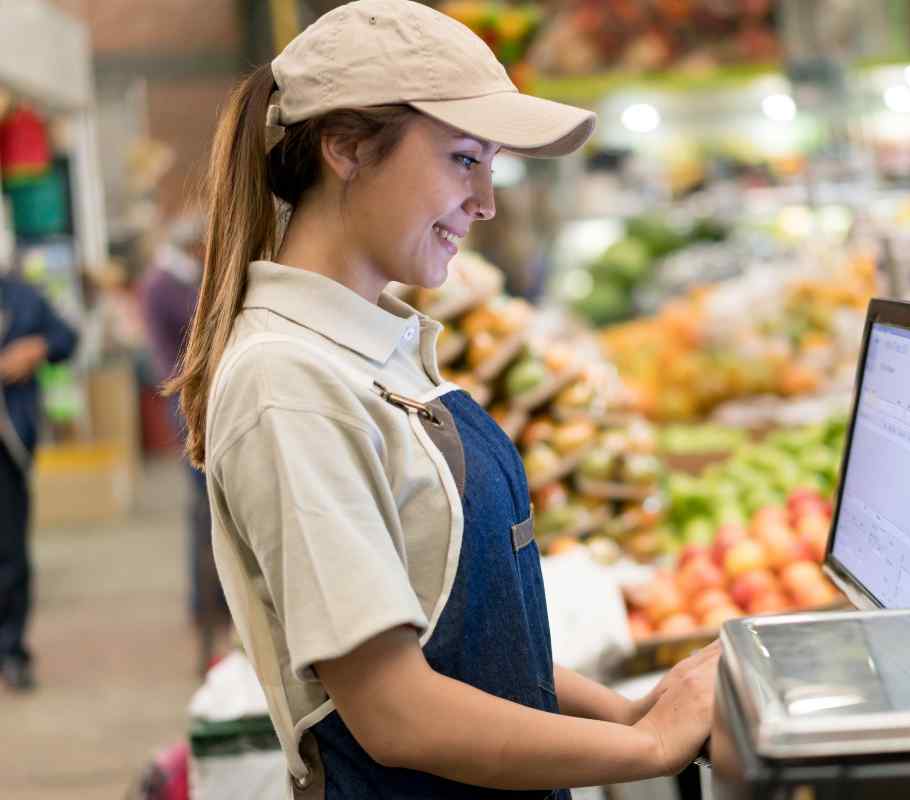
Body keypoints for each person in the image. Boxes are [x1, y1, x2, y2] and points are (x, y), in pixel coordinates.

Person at [166, 2, 719, 797]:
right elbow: (398, 712)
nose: (486, 200)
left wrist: (629, 714)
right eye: (464, 159)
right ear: (347, 149)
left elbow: (452, 641)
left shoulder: (374, 347)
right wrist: (651, 750)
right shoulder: (290, 384)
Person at [139, 214, 230, 673]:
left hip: (199, 395)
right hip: (189, 400)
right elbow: (185, 339)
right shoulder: (164, 283)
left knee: (210, 509)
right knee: (204, 510)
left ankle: (216, 603)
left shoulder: (178, 278)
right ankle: (208, 605)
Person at [0, 270, 79, 691]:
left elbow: (68, 338)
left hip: (8, 447)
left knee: (11, 556)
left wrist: (38, 348)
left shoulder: (22, 295)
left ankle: (11, 650)